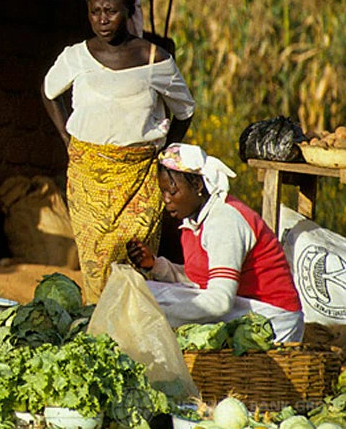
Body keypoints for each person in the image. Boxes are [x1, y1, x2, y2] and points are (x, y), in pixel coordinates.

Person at [42, 0, 195, 303]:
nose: (102, 19)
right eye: (95, 11)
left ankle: (133, 338)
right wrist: (68, 141)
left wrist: (162, 153)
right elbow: (49, 90)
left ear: (129, 9)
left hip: (138, 178)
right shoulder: (77, 57)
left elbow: (185, 111)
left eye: (111, 10)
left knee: (133, 264)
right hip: (87, 178)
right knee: (96, 265)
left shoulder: (154, 58)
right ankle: (101, 341)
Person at [127, 143, 304, 341]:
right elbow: (203, 278)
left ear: (198, 186)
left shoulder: (224, 221)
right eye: (163, 192)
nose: (166, 200)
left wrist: (160, 316)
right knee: (144, 292)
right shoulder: (194, 221)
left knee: (150, 303)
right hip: (243, 304)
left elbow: (219, 302)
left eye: (173, 192)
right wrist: (157, 266)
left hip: (271, 318)